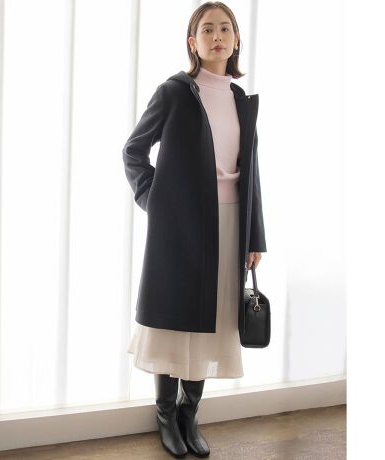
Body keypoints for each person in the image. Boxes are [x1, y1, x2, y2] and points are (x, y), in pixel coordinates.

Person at [122, 2, 267, 458]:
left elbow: (251, 172)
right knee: (174, 318)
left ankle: (190, 413)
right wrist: (156, 202)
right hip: (180, 225)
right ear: (193, 41)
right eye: (207, 29)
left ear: (236, 40)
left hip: (231, 222)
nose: (217, 36)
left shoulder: (241, 100)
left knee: (213, 321)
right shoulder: (174, 92)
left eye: (225, 28)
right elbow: (133, 151)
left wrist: (255, 237)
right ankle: (166, 414)